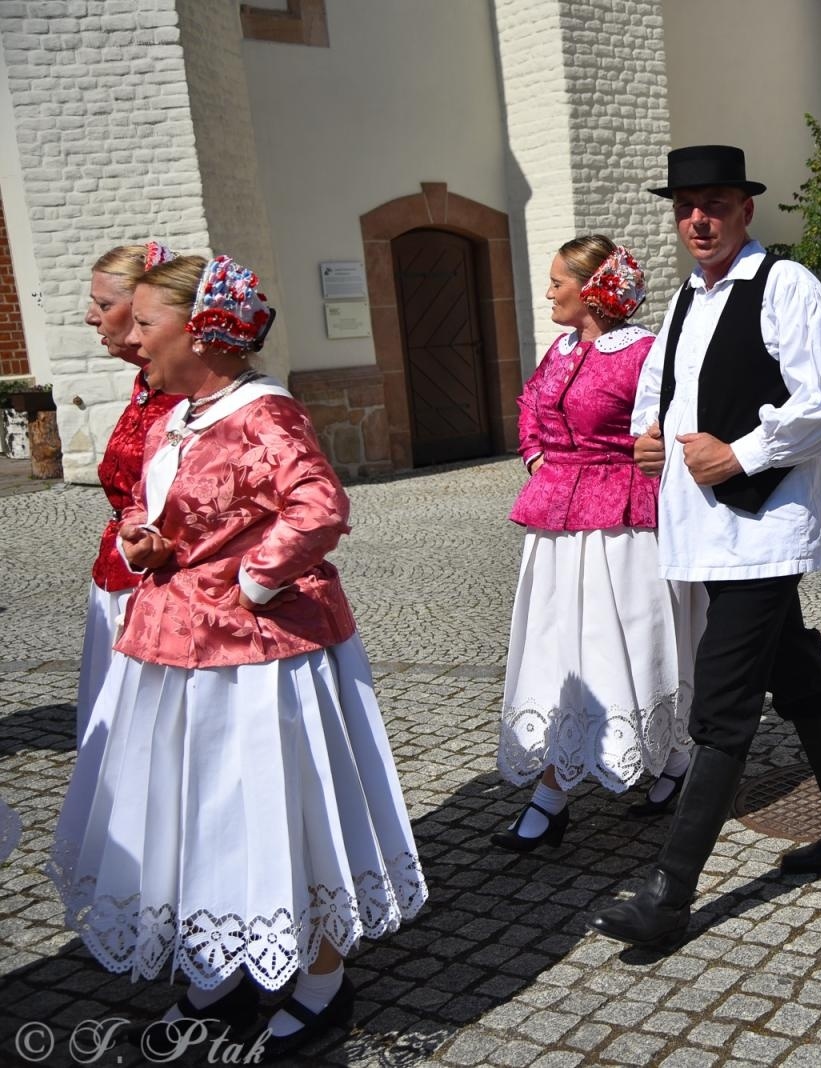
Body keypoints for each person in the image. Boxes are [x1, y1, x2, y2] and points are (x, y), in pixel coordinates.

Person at [48, 255, 426, 1056]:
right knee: (197, 808)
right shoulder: (175, 417)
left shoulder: (264, 412)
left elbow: (318, 506)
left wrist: (252, 584)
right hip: (174, 644)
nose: (134, 338)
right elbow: (175, 517)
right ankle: (220, 969)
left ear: (205, 331)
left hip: (260, 656)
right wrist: (149, 545)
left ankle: (321, 984)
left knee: (278, 809)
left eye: (148, 323)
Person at [587, 145, 821, 951]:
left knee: (721, 708)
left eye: (715, 202)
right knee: (792, 670)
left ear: (745, 209)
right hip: (706, 532)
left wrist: (745, 454)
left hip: (763, 529)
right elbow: (660, 398)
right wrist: (649, 440)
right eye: (686, 204)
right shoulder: (687, 299)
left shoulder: (784, 285)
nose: (699, 218)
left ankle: (669, 894)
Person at [494, 236, 698, 850]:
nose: (549, 290)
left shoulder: (645, 352)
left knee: (620, 645)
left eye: (558, 281)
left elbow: (671, 424)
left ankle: (559, 793)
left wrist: (649, 458)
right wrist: (537, 461)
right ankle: (669, 762)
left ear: (592, 291)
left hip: (624, 526)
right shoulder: (560, 347)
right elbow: (532, 406)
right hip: (558, 525)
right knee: (558, 647)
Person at [74, 241, 184, 743]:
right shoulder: (146, 383)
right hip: (118, 574)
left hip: (155, 583)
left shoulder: (184, 393)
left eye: (104, 305)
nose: (91, 317)